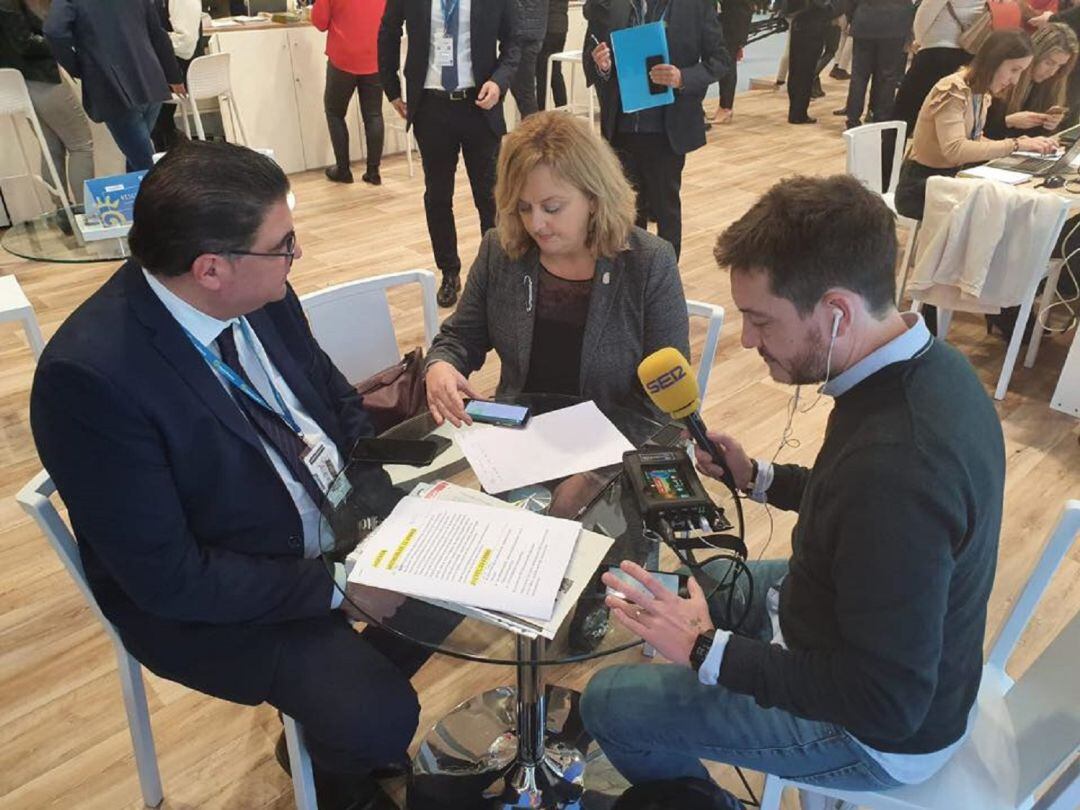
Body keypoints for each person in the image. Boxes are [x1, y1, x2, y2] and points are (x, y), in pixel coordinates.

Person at [30, 140, 438, 810]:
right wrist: (340, 587)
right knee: (379, 717)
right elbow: (171, 579)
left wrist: (378, 498)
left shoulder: (265, 290)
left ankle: (328, 719)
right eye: (284, 243)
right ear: (211, 269)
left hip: (324, 523)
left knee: (471, 580)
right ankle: (339, 776)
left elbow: (333, 400)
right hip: (223, 591)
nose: (295, 255)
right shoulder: (91, 379)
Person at [579, 174, 1006, 798]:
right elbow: (855, 510)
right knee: (694, 580)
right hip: (843, 618)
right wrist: (761, 479)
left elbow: (887, 702)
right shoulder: (923, 367)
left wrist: (705, 651)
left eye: (761, 321)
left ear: (835, 312)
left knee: (609, 701)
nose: (748, 340)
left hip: (874, 734)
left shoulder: (899, 467)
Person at [423, 111, 690, 426]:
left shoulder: (649, 262)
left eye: (552, 208)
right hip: (521, 437)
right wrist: (439, 365)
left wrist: (591, 475)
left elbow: (661, 401)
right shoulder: (502, 249)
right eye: (524, 207)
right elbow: (461, 336)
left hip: (612, 444)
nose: (536, 224)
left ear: (594, 197)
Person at [378, 0, 522, 309]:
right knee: (438, 196)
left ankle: (495, 273)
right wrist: (390, 88)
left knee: (491, 197)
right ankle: (449, 271)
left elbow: (513, 42)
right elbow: (388, 31)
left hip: (479, 107)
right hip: (431, 108)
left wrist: (499, 82)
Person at [583, 0, 730, 259]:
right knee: (626, 212)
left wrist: (682, 77)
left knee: (666, 210)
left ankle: (666, 280)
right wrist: (601, 66)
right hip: (622, 128)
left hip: (666, 130)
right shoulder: (610, 5)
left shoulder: (696, 6)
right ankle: (628, 275)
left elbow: (719, 60)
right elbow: (592, 60)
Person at [894, 30, 1057, 222]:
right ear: (994, 61)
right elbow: (954, 149)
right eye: (1014, 70)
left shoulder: (980, 92)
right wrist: (1015, 145)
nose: (1015, 80)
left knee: (1004, 206)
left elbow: (973, 139)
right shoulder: (953, 90)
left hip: (950, 180)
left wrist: (1018, 144)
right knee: (997, 212)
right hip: (920, 187)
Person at [44, 0, 186, 172]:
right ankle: (141, 196)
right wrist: (173, 75)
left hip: (111, 84)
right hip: (150, 77)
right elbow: (157, 32)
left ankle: (163, 197)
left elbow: (54, 31)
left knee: (144, 163)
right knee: (138, 156)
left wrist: (78, 67)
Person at [0, 0, 93, 218]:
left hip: (22, 82)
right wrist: (64, 43)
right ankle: (88, 212)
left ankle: (62, 211)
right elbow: (24, 43)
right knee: (81, 145)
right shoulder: (7, 4)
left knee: (51, 147)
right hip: (42, 78)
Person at [312, 0, 387, 185]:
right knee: (374, 115)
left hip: (343, 57)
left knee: (335, 112)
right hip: (374, 55)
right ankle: (373, 171)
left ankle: (343, 170)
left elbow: (319, 22)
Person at [891, 0, 983, 138]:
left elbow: (924, 16)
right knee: (950, 116)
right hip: (971, 53)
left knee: (904, 112)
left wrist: (920, 41)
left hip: (937, 50)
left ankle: (889, 158)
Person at [985, 21, 1078, 139]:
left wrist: (1049, 124)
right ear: (1035, 54)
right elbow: (974, 132)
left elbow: (1036, 137)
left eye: (1060, 66)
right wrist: (1009, 121)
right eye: (1049, 63)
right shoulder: (1004, 75)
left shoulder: (1053, 82)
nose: (1052, 72)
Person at [840, 0, 915, 130]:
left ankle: (853, 118)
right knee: (887, 76)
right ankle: (881, 118)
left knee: (859, 75)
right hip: (895, 24)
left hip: (864, 21)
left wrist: (852, 18)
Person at [150, 0, 204, 152]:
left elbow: (186, 44)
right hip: (165, 68)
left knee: (155, 123)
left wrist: (150, 38)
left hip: (178, 70)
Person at [785, 0, 837, 124]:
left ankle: (795, 111)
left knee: (796, 69)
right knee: (805, 71)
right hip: (811, 25)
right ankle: (798, 113)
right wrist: (830, 10)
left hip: (799, 22)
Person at [713, 0, 754, 124]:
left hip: (732, 22)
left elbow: (743, 8)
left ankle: (726, 107)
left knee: (728, 64)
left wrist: (740, 41)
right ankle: (724, 106)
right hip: (722, 19)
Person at [510, 0, 548, 117]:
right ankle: (532, 130)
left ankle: (535, 132)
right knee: (521, 89)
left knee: (524, 92)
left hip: (525, 35)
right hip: (529, 33)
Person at [536, 0, 569, 110]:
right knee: (555, 72)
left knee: (542, 74)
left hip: (547, 27)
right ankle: (563, 112)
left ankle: (541, 114)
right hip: (561, 27)